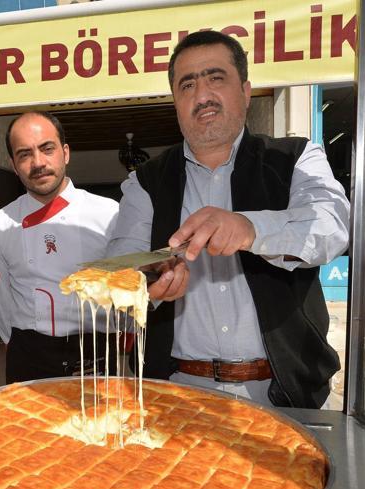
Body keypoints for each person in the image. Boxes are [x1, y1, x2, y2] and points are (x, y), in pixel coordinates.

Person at [108, 31, 350, 408]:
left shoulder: (296, 158)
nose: (202, 95)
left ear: (246, 91)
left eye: (216, 78)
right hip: (177, 392)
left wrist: (251, 229)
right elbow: (120, 272)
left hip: (283, 392)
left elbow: (331, 227)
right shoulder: (146, 182)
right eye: (187, 85)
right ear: (175, 102)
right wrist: (146, 284)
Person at [0, 111, 121, 383]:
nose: (38, 162)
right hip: (28, 354)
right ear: (13, 165)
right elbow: (1, 297)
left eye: (47, 149)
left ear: (65, 153)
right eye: (24, 154)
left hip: (93, 350)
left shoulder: (110, 214)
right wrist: (15, 342)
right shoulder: (1, 222)